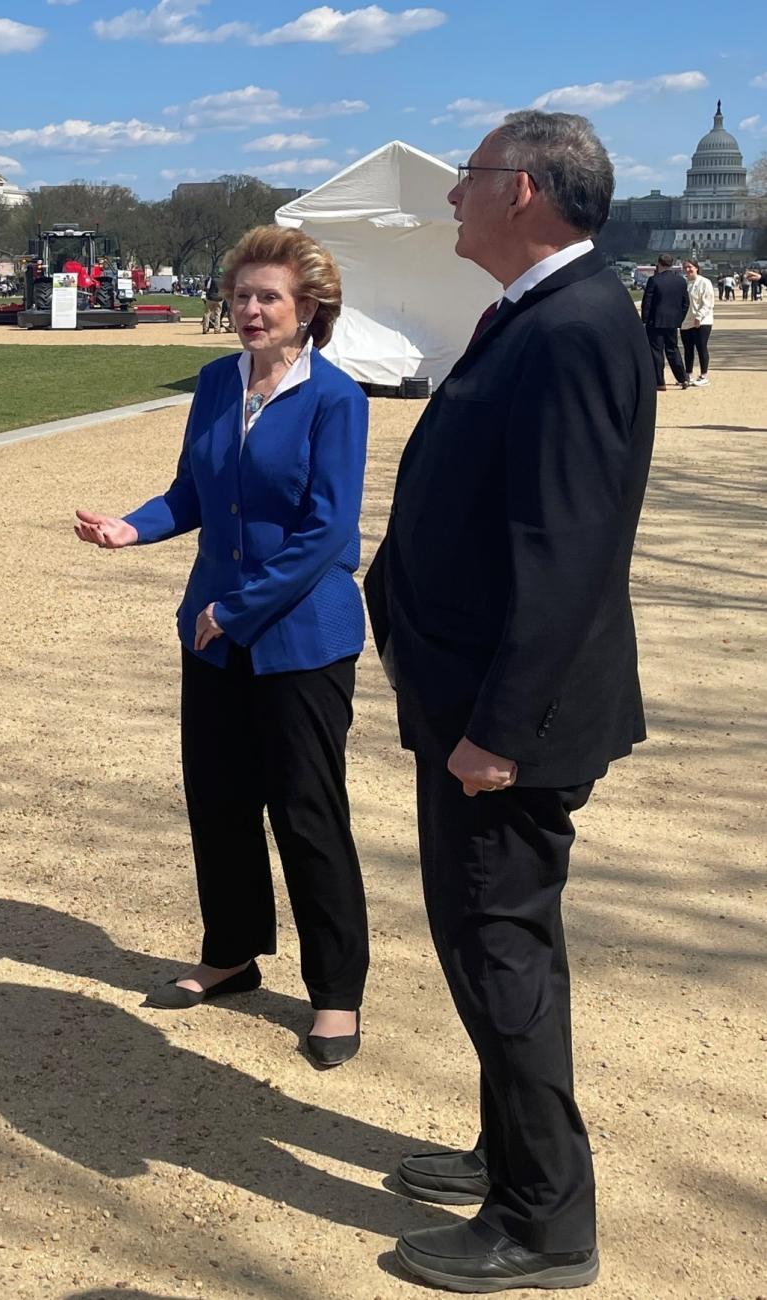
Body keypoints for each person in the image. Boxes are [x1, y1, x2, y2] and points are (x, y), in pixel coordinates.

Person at [365, 111, 655, 1292]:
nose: (452, 199)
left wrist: (500, 727)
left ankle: (544, 1217)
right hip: (473, 701)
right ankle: (513, 1147)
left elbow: (567, 549)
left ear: (523, 189)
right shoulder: (538, 315)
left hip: (503, 724)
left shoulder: (576, 327)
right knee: (500, 945)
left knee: (499, 949)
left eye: (470, 179)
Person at [75, 225, 371, 1069]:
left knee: (307, 813)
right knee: (219, 798)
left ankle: (335, 991)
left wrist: (237, 608)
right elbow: (191, 493)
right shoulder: (214, 383)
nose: (248, 309)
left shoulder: (334, 398)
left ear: (306, 308)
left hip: (298, 637)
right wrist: (132, 527)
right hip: (211, 634)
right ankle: (232, 953)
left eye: (266, 297)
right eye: (240, 294)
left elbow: (327, 531)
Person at [641, 252, 689, 390]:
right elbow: (685, 303)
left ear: (659, 264)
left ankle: (660, 381)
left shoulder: (654, 280)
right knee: (673, 349)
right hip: (672, 321)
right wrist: (679, 318)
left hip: (655, 321)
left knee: (656, 351)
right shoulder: (680, 281)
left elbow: (647, 302)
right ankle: (682, 377)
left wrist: (644, 320)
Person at [680, 258, 715, 386]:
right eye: (685, 267)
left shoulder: (705, 282)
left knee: (701, 347)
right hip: (686, 320)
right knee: (688, 349)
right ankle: (688, 374)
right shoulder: (683, 283)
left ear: (696, 268)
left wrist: (699, 316)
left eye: (690, 267)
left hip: (703, 320)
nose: (688, 270)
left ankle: (704, 375)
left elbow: (708, 302)